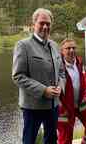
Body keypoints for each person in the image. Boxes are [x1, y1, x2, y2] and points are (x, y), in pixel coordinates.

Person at [12, 8, 66, 144]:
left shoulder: (54, 45)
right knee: (29, 140)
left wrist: (60, 87)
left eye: (48, 24)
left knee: (52, 139)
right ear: (34, 24)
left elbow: (61, 72)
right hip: (32, 107)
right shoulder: (23, 46)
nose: (45, 26)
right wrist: (43, 91)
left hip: (53, 106)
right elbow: (18, 76)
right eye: (42, 23)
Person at [57, 38, 86, 144]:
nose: (71, 50)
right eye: (68, 48)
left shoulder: (80, 62)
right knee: (66, 137)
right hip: (65, 108)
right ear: (62, 51)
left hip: (81, 103)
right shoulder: (57, 66)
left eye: (73, 48)